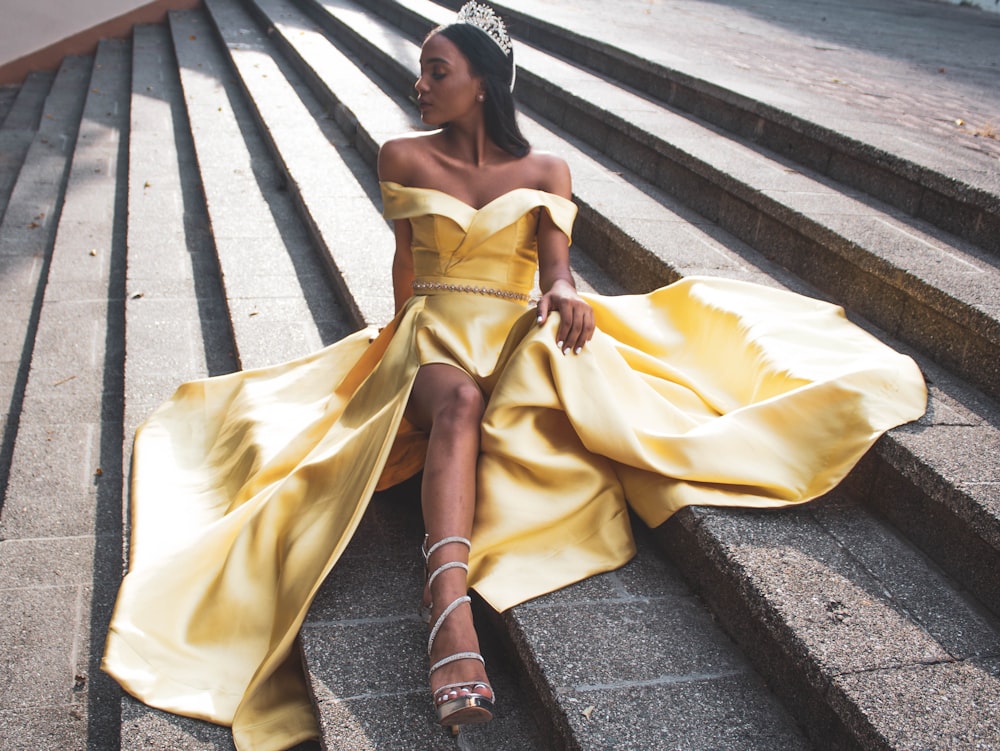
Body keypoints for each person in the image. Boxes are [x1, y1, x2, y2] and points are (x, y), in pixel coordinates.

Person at [102, 3, 927, 750]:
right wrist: (395, 349)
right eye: (420, 68)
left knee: (561, 361)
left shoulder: (547, 173)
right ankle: (448, 605)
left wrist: (566, 296)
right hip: (429, 333)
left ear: (484, 85)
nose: (417, 83)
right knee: (457, 398)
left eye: (437, 71)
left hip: (510, 323)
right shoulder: (401, 156)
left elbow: (557, 270)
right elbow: (403, 265)